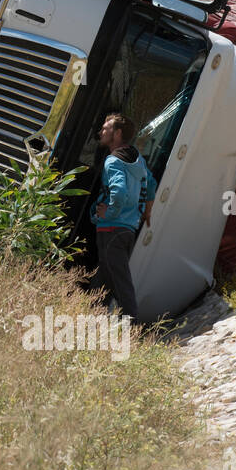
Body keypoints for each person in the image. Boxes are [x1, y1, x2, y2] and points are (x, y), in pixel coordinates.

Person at [90, 112, 157, 320]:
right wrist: (146, 212)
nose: (101, 131)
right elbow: (152, 185)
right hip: (127, 231)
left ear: (117, 134)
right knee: (102, 282)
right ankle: (90, 324)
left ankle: (133, 327)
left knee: (120, 283)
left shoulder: (113, 162)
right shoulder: (137, 159)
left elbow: (119, 192)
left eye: (106, 128)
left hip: (111, 229)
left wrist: (109, 212)